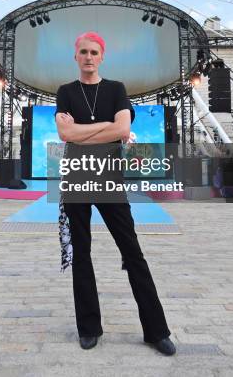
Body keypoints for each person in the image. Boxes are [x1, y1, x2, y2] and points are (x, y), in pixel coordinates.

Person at [55, 31, 175, 355]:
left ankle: (156, 330)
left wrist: (84, 133)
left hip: (110, 178)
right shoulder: (65, 92)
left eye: (94, 51)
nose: (89, 57)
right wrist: (103, 129)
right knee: (82, 253)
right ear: (76, 56)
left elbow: (122, 130)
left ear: (102, 55)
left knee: (132, 252)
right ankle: (89, 328)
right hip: (77, 176)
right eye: (83, 52)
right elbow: (65, 132)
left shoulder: (116, 89)